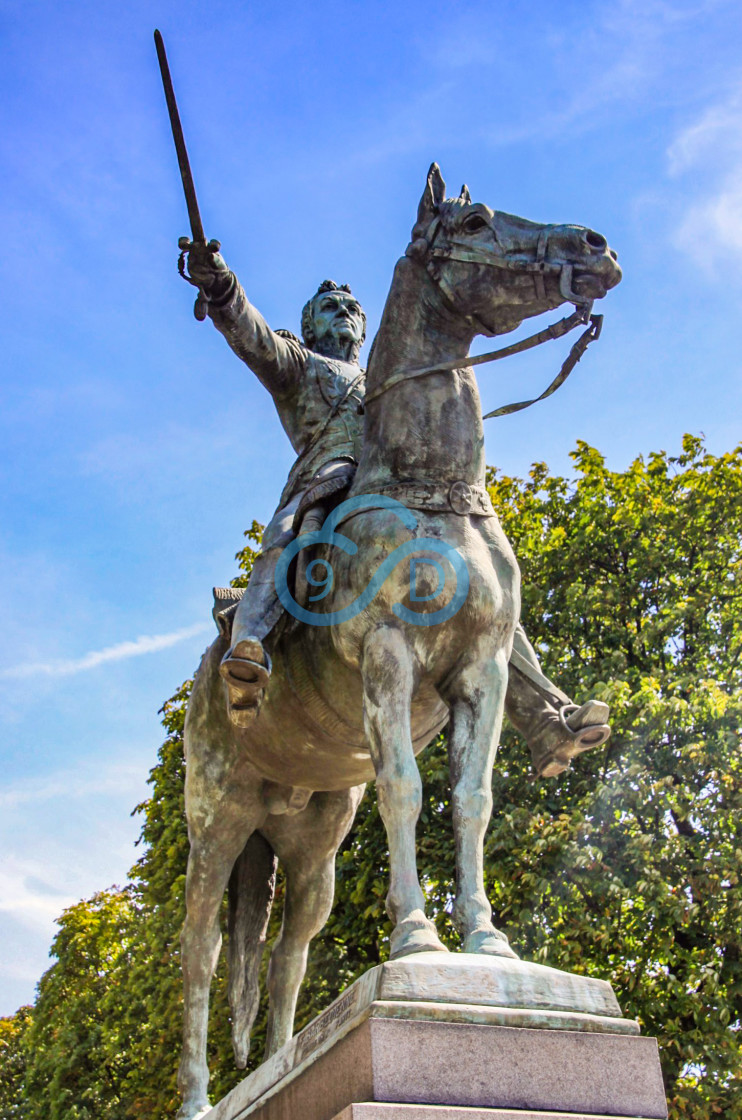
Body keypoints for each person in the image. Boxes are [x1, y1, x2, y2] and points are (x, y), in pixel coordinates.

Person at [182, 239, 610, 777]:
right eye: (329, 308)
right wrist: (221, 286)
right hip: (334, 481)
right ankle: (250, 649)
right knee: (288, 536)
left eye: (351, 310)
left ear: (364, 330)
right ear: (311, 327)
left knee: (486, 588)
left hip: (411, 488)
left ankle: (545, 716)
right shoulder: (301, 364)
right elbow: (251, 335)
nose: (343, 314)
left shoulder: (386, 374)